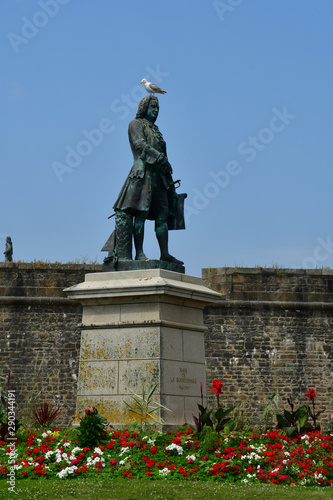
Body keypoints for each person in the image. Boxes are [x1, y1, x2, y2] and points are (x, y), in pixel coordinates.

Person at [113, 95, 184, 265]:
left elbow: (163, 153)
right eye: (153, 107)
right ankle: (139, 253)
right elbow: (140, 145)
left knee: (162, 215)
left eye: (158, 108)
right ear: (144, 108)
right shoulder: (135, 124)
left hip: (160, 177)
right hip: (142, 174)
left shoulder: (156, 130)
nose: (156, 111)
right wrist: (160, 158)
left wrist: (167, 174)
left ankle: (164, 253)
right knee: (140, 213)